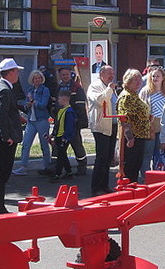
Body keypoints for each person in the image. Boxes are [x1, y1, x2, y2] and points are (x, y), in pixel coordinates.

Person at [0, 57, 24, 215]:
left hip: (6, 136)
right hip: (6, 138)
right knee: (2, 173)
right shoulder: (4, 89)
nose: (18, 74)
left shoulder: (0, 87)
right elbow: (1, 114)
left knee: (2, 173)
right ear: (10, 73)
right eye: (16, 71)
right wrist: (6, 136)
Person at [87, 64, 119, 196]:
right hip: (100, 127)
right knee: (101, 157)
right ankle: (96, 187)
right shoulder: (94, 86)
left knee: (108, 157)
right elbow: (100, 101)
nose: (112, 76)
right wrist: (109, 90)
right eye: (108, 73)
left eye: (113, 73)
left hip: (112, 125)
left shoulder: (110, 88)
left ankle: (105, 185)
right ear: (101, 74)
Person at [116, 68, 152, 184]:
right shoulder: (127, 96)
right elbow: (125, 118)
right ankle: (128, 190)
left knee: (136, 165)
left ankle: (132, 187)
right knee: (131, 166)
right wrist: (129, 137)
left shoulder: (134, 95)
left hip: (139, 136)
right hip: (133, 138)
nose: (139, 83)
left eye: (140, 80)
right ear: (128, 81)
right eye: (135, 80)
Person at [15, 69, 52, 176]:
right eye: (35, 78)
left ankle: (47, 166)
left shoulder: (45, 90)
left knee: (44, 143)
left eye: (39, 78)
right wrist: (28, 105)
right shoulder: (30, 90)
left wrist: (33, 102)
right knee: (26, 143)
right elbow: (27, 106)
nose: (37, 80)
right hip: (31, 120)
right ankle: (23, 166)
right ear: (32, 80)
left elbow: (43, 104)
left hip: (42, 120)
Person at [55, 65, 89, 175]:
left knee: (77, 144)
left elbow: (80, 106)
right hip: (61, 121)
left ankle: (82, 167)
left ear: (70, 75)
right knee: (58, 145)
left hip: (72, 121)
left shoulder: (76, 87)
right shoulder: (58, 87)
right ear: (60, 76)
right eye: (63, 75)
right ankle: (54, 167)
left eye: (67, 74)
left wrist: (77, 120)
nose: (65, 76)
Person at [138, 66, 165, 174]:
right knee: (147, 153)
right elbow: (140, 108)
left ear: (163, 78)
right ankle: (145, 176)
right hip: (150, 126)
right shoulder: (145, 91)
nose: (155, 78)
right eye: (153, 76)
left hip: (164, 126)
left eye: (158, 76)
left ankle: (158, 175)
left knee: (160, 152)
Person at [50, 89, 77, 180]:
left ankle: (58, 174)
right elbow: (57, 124)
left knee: (60, 156)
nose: (58, 100)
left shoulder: (69, 111)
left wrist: (65, 137)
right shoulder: (61, 110)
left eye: (59, 99)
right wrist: (53, 134)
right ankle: (69, 171)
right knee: (63, 154)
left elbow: (69, 126)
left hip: (63, 137)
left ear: (64, 99)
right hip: (59, 136)